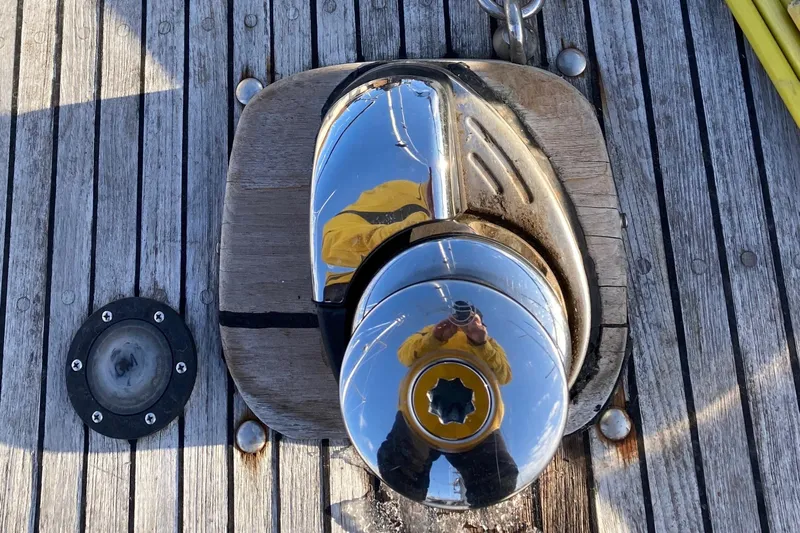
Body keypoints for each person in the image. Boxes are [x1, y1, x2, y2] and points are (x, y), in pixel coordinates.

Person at [377, 301, 518, 507]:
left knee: (497, 481)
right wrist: (436, 338)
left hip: (478, 422)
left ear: (481, 324)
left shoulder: (488, 343)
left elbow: (504, 375)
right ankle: (405, 510)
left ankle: (482, 517)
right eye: (460, 317)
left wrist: (480, 342)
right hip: (421, 414)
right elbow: (405, 355)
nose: (464, 323)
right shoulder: (431, 332)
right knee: (400, 470)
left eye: (471, 319)